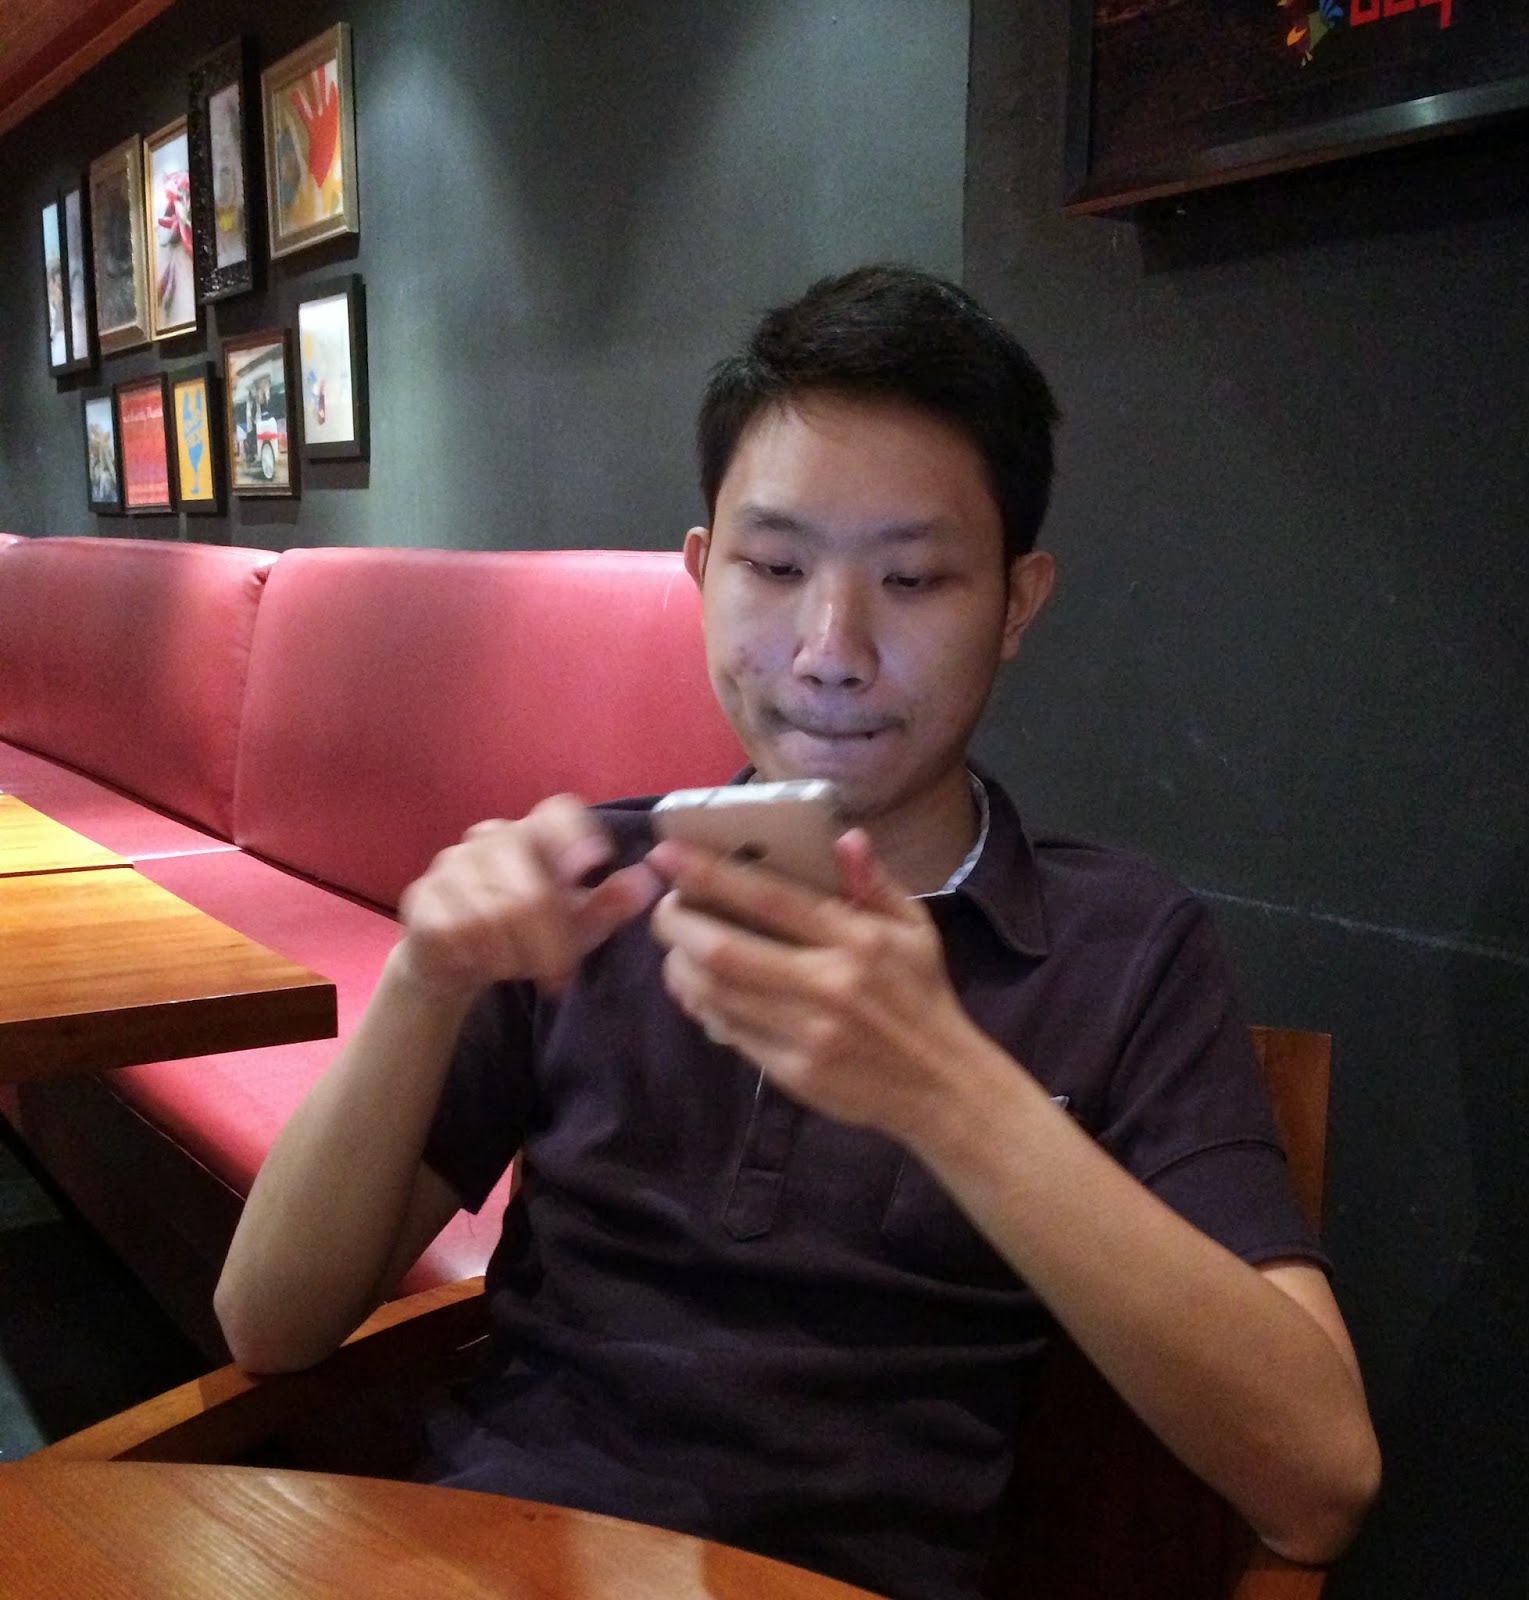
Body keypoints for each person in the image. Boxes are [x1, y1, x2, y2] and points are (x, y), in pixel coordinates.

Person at [216, 265, 1380, 1600]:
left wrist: (948, 1091)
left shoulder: (1122, 950)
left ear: (1017, 603)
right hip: (486, 1561)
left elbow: (1320, 1484)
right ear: (702, 573)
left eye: (915, 577)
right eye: (774, 567)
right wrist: (423, 983)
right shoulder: (589, 887)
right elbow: (270, 1324)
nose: (832, 648)